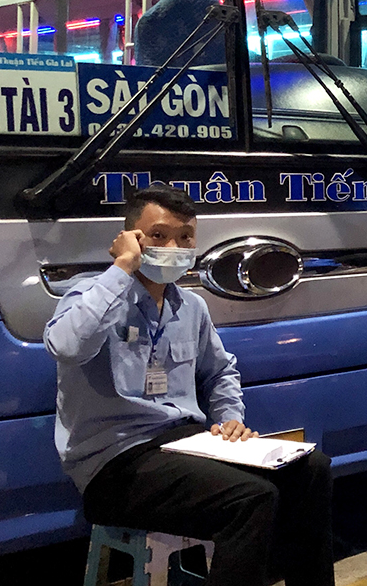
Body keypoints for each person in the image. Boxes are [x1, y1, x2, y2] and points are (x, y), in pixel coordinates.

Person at [44, 184, 335, 586]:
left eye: (185, 237)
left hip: (187, 445)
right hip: (115, 463)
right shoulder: (92, 294)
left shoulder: (190, 306)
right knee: (251, 498)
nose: (174, 247)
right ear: (131, 238)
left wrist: (230, 418)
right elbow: (67, 346)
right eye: (158, 235)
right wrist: (122, 268)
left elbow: (220, 371)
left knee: (312, 469)